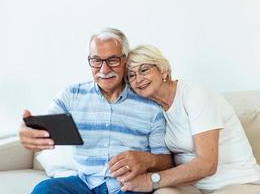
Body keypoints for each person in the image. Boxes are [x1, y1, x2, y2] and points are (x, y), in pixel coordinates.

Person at [19, 29, 173, 194]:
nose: (104, 69)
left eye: (113, 60)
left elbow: (166, 161)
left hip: (128, 187)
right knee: (45, 189)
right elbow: (41, 128)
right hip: (84, 184)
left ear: (125, 60)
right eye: (96, 60)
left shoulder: (149, 103)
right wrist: (27, 129)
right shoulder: (72, 95)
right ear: (89, 61)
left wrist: (147, 160)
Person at [109, 44, 260, 194]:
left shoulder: (195, 93)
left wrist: (150, 180)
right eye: (131, 76)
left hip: (235, 182)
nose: (138, 79)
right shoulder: (155, 110)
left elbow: (207, 164)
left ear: (163, 70)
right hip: (192, 186)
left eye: (144, 70)